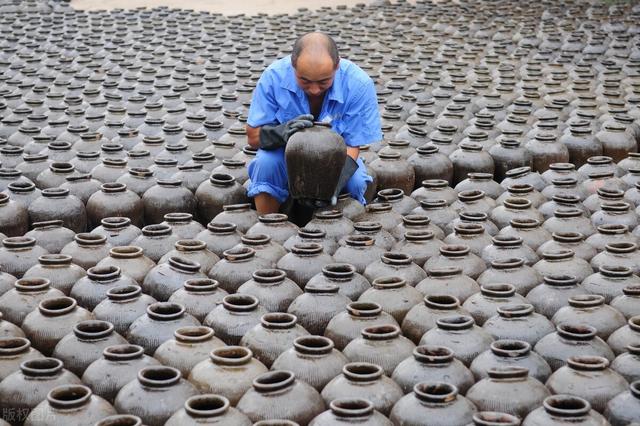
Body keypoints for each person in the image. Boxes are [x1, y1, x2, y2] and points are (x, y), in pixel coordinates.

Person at [246, 31, 382, 215]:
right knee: (265, 164)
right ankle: (268, 227)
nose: (315, 90)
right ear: (293, 65)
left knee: (356, 182)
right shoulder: (273, 77)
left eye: (324, 82)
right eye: (304, 81)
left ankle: (338, 234)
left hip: (334, 156)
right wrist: (280, 132)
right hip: (285, 152)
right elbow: (253, 137)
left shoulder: (358, 84)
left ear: (337, 66)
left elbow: (352, 144)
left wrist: (336, 182)